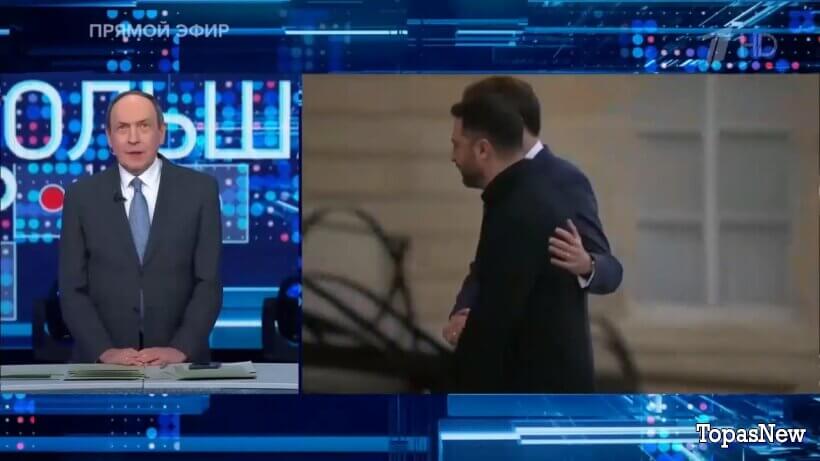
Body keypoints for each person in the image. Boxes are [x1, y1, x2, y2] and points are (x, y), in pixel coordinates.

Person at [443, 77, 622, 347]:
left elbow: (612, 271)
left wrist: (587, 264)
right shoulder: (499, 180)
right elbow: (486, 265)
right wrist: (464, 310)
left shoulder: (566, 180)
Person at [59, 90, 222, 366]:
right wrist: (104, 351)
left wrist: (180, 349)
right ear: (109, 138)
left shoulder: (200, 191)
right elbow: (72, 288)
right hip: (102, 367)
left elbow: (209, 283)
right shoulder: (81, 197)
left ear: (161, 132)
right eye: (122, 128)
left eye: (144, 126)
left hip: (181, 365)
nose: (133, 138)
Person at [449, 93, 597, 392]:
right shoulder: (511, 196)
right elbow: (486, 271)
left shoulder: (527, 202)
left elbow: (497, 321)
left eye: (456, 145)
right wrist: (465, 310)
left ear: (483, 149)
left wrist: (589, 265)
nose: (452, 157)